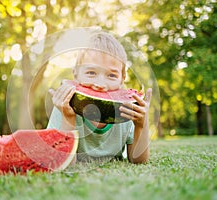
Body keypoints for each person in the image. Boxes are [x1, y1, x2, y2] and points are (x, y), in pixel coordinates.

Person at [48, 31, 152, 164]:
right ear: (76, 74)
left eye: (112, 75)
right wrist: (68, 119)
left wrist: (141, 125)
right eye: (91, 73)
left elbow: (138, 161)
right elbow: (65, 163)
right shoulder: (64, 107)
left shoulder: (125, 111)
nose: (100, 84)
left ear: (122, 79)